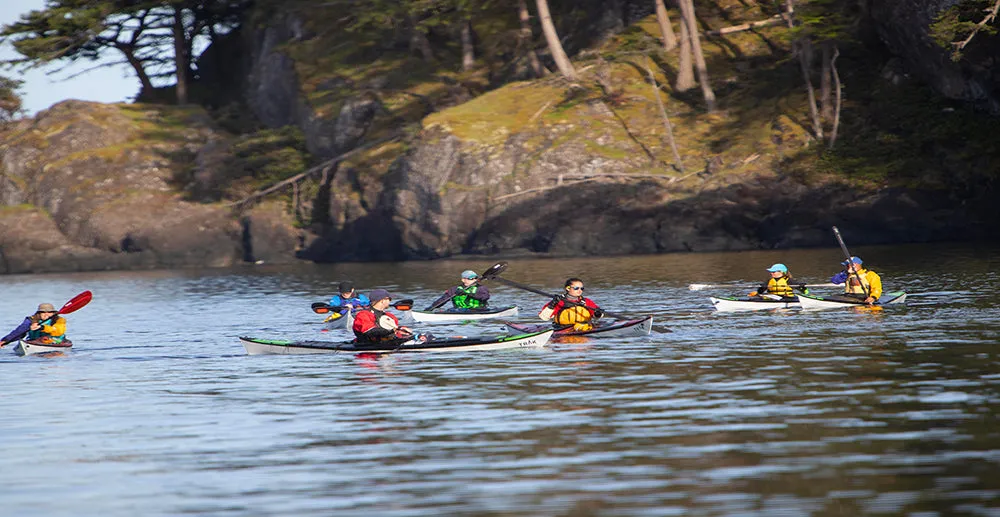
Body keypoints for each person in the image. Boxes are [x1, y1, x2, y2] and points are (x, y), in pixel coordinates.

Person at [353, 289, 418, 344]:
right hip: (368, 348)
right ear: (383, 300)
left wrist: (402, 331)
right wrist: (392, 330)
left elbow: (394, 333)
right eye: (389, 299)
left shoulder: (390, 316)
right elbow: (370, 332)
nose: (390, 301)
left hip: (388, 343)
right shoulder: (363, 315)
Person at [538, 278, 604, 332]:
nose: (580, 290)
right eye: (576, 288)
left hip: (583, 327)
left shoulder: (586, 301)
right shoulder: (560, 301)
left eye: (582, 288)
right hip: (562, 329)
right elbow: (544, 317)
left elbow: (597, 316)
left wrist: (598, 313)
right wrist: (552, 304)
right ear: (568, 288)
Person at [0, 303, 66, 348]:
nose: (46, 314)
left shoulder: (59, 320)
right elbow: (19, 331)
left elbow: (59, 331)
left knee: (45, 339)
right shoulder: (31, 320)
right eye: (43, 312)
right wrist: (5, 341)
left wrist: (41, 327)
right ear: (38, 313)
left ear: (53, 313)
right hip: (35, 341)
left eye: (49, 312)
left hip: (56, 341)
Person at [425, 270, 490, 310]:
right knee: (452, 310)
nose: (474, 280)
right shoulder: (454, 289)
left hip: (479, 310)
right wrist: (432, 307)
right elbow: (443, 300)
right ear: (463, 280)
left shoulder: (481, 288)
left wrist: (466, 293)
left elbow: (485, 297)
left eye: (475, 278)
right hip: (459, 310)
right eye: (471, 278)